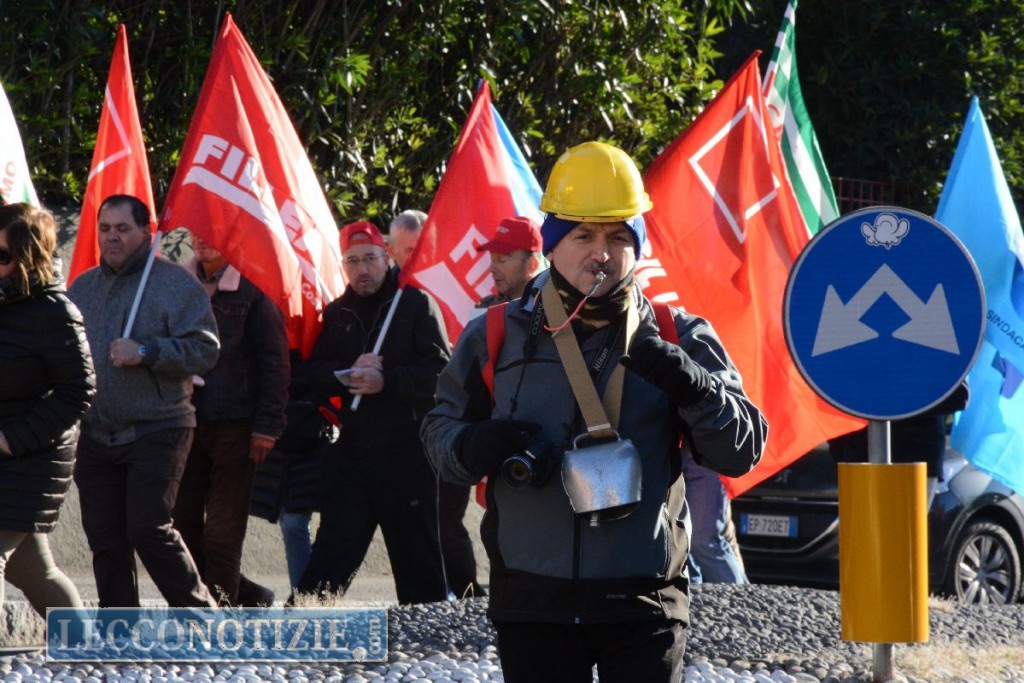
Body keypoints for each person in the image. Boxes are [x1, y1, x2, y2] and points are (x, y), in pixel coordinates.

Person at [421, 141, 767, 682]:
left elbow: (743, 449)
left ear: (639, 246)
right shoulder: (493, 334)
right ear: (553, 245)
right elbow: (439, 434)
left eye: (617, 236)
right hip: (532, 602)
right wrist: (470, 446)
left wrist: (694, 386)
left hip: (644, 604)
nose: (600, 253)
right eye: (583, 234)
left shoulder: (681, 335)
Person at [68, 194, 220, 608]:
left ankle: (200, 620)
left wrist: (149, 352)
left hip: (159, 426)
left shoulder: (175, 283)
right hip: (97, 434)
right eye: (105, 229)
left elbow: (206, 350)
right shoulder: (82, 287)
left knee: (148, 526)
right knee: (105, 536)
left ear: (145, 232)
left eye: (122, 228)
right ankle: (120, 634)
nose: (112, 237)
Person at [292, 221, 450, 605]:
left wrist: (388, 381)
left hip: (408, 451)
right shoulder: (336, 312)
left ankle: (427, 642)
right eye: (353, 261)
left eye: (370, 259)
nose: (362, 270)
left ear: (386, 257)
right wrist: (344, 374)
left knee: (417, 559)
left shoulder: (415, 303)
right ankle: (303, 629)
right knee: (331, 553)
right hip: (352, 451)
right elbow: (310, 376)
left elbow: (442, 374)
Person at [172, 234, 290, 605]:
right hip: (182, 422)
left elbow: (275, 364)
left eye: (212, 230)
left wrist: (267, 427)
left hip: (237, 426)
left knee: (223, 530)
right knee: (181, 524)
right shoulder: (173, 284)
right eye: (197, 230)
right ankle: (245, 596)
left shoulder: (254, 290)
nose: (203, 239)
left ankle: (221, 617)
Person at [0, 203, 95, 617]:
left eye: (2, 256)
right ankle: (82, 655)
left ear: (28, 255)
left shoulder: (56, 313)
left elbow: (79, 391)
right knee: (34, 572)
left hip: (30, 459)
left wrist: (9, 440)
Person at [474, 215, 544, 309]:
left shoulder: (550, 309)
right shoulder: (484, 307)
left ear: (532, 265)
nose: (491, 269)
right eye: (492, 259)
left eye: (501, 260)